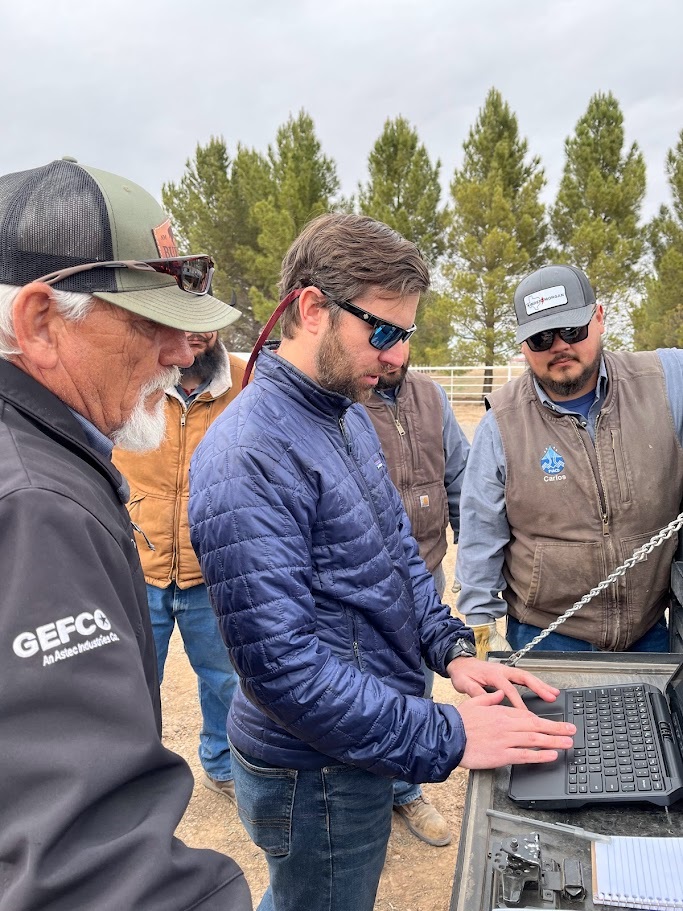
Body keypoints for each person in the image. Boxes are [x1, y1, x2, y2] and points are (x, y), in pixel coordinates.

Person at [189, 214, 574, 911]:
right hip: (315, 769)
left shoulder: (344, 415)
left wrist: (453, 651)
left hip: (362, 741)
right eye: (384, 332)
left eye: (407, 335)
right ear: (311, 308)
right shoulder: (247, 452)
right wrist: (445, 732)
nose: (397, 356)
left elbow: (397, 560)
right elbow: (283, 667)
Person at [0, 157, 251, 911]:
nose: (181, 352)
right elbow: (87, 870)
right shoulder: (36, 504)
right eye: (152, 322)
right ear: (41, 322)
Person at [457, 263, 683, 657]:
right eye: (541, 337)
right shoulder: (501, 423)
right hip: (546, 636)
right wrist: (481, 626)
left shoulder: (666, 380)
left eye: (572, 330)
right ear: (523, 344)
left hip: (650, 631)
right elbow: (480, 531)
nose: (559, 346)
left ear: (598, 317)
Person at [114, 330, 246, 803]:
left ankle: (221, 763)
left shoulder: (247, 380)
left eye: (203, 321)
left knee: (223, 677)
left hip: (211, 565)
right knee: (133, 679)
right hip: (138, 561)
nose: (193, 335)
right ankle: (130, 776)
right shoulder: (133, 375)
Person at [364, 341, 470, 846]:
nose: (392, 355)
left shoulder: (433, 396)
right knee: (359, 688)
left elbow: (460, 479)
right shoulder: (344, 401)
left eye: (401, 340)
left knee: (416, 684)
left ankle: (406, 790)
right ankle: (360, 800)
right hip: (362, 584)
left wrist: (475, 553)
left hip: (425, 574)